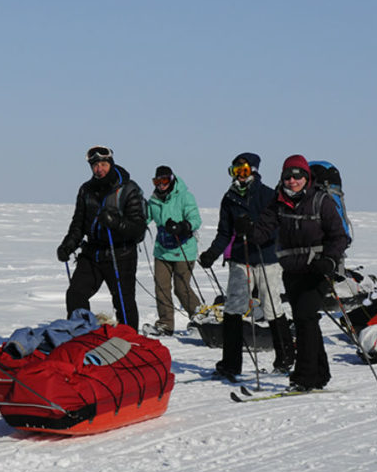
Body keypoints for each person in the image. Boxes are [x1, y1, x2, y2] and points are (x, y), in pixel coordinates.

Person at [248, 155, 349, 391]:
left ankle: (304, 377)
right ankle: (320, 373)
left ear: (307, 177)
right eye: (288, 176)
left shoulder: (321, 201)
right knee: (308, 321)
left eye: (298, 176)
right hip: (292, 269)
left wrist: (330, 261)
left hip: (317, 269)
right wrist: (248, 231)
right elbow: (263, 230)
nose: (293, 181)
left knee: (304, 318)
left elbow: (339, 236)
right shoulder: (278, 201)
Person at [198, 153, 295, 378]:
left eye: (243, 171)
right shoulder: (229, 197)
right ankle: (231, 364)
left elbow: (279, 228)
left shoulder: (269, 195)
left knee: (272, 307)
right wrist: (212, 254)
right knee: (233, 309)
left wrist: (255, 230)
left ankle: (285, 358)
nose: (239, 176)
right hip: (240, 259)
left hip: (266, 258)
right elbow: (224, 232)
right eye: (235, 172)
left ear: (253, 171)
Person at [57, 146, 147, 330]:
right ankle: (81, 336)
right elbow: (79, 223)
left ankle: (130, 342)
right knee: (75, 294)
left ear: (111, 164)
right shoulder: (86, 190)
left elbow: (138, 229)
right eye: (95, 166)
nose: (99, 169)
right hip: (92, 253)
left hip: (121, 254)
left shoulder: (128, 189)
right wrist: (68, 244)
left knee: (123, 302)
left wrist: (115, 223)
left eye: (104, 164)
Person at [143, 165, 202, 336]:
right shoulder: (153, 200)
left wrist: (183, 226)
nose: (161, 185)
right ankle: (165, 324)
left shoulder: (185, 196)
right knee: (161, 288)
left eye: (164, 181)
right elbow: (144, 219)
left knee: (181, 288)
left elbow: (195, 218)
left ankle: (199, 320)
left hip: (183, 249)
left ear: (172, 179)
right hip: (162, 250)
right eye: (157, 181)